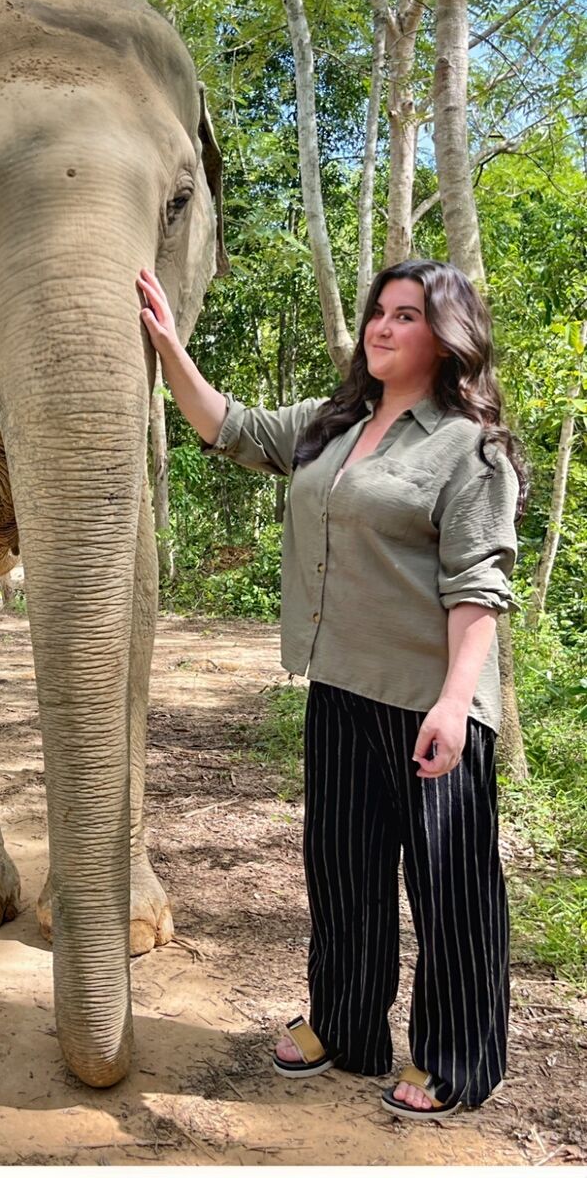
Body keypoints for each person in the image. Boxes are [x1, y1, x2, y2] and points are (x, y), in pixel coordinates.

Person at [136, 259, 526, 1121]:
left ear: (447, 335)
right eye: (378, 314)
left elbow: (478, 590)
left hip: (430, 700)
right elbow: (228, 425)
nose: (382, 329)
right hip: (341, 687)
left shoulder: (472, 448)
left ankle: (460, 1059)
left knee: (449, 889)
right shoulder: (332, 425)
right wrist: (169, 344)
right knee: (343, 873)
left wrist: (458, 704)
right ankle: (347, 1028)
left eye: (407, 317)